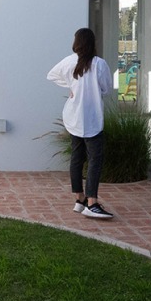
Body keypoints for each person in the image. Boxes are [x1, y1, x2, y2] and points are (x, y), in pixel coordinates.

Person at [47, 27, 115, 219]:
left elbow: (51, 75)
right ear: (93, 43)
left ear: (76, 42)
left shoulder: (69, 61)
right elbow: (107, 89)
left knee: (77, 158)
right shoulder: (99, 64)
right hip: (92, 117)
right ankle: (92, 203)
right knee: (95, 159)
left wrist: (71, 86)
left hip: (73, 117)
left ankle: (80, 199)